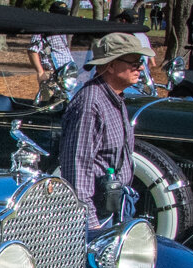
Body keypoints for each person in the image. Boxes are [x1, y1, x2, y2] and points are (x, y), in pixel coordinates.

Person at [60, 32, 155, 229]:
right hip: (97, 216)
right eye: (134, 62)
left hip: (116, 206)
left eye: (141, 62)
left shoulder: (115, 98)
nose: (140, 68)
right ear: (110, 65)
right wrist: (92, 226)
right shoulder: (90, 103)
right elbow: (77, 168)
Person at [28, 1, 74, 85]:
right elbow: (32, 51)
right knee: (52, 98)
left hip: (67, 74)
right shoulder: (43, 29)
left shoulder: (62, 30)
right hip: (52, 75)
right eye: (59, 15)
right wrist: (41, 73)